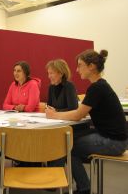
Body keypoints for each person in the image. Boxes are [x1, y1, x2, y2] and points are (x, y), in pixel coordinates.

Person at [46, 49, 127, 194]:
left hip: (114, 142)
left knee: (68, 147)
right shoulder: (100, 86)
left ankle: (83, 188)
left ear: (91, 66)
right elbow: (80, 112)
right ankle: (82, 186)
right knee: (70, 142)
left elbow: (77, 115)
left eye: (80, 65)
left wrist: (54, 115)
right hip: (115, 137)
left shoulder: (97, 88)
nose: (76, 70)